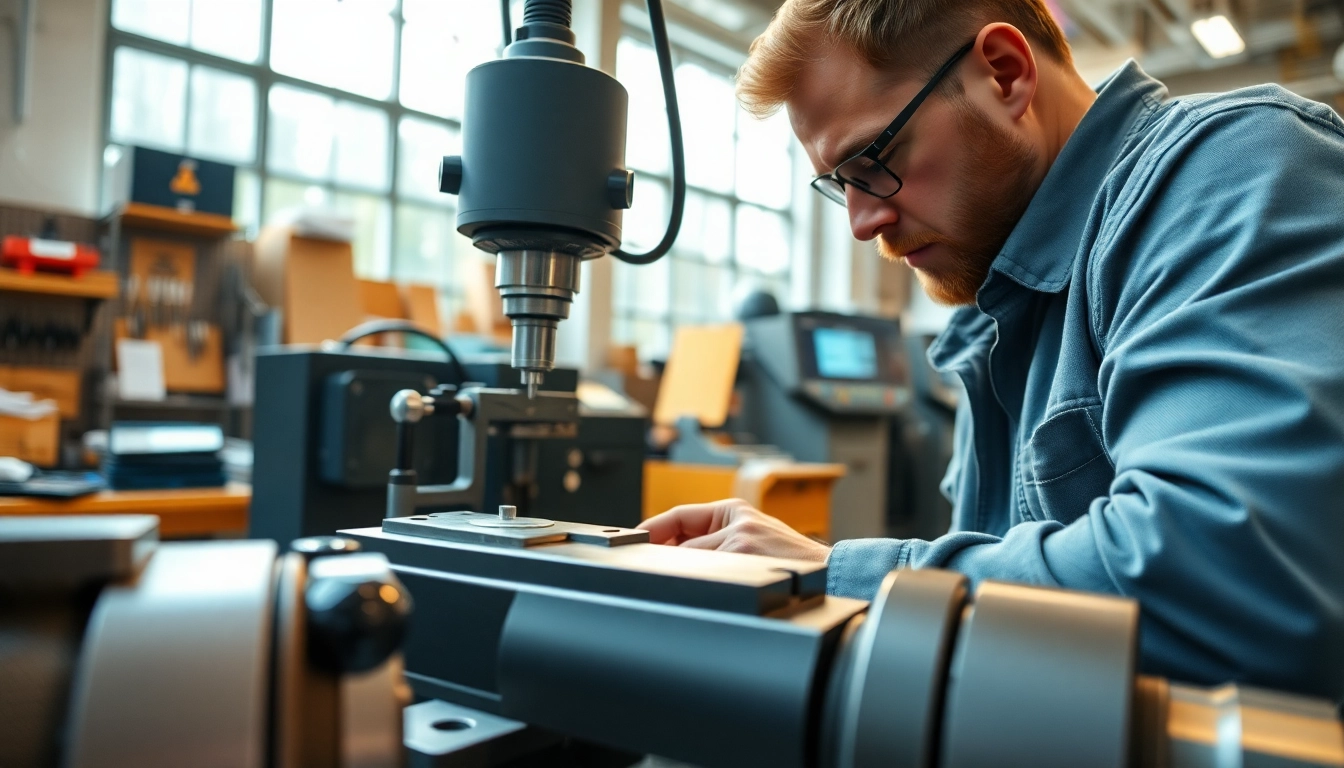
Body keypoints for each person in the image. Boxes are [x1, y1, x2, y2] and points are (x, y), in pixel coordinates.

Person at [638, 0, 1344, 703]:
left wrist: (847, 579)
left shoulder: (1234, 168)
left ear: (1004, 75)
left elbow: (1229, 583)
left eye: (873, 160)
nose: (861, 221)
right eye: (839, 184)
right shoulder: (993, 324)